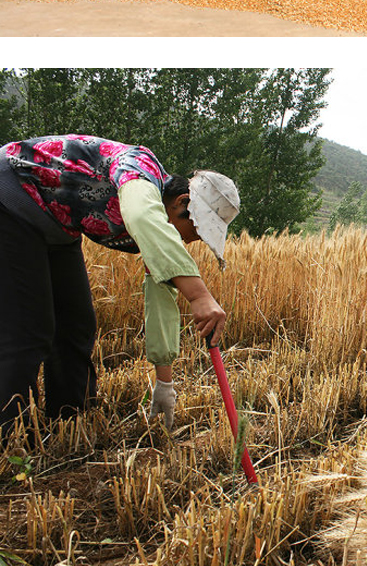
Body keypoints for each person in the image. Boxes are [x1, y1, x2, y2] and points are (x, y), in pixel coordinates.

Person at [0, 133, 240, 435]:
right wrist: (198, 295)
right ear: (182, 202)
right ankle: (10, 439)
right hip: (11, 200)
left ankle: (70, 421)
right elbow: (142, 214)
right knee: (29, 329)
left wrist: (164, 383)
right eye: (193, 230)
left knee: (76, 325)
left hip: (57, 227)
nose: (187, 241)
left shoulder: (155, 230)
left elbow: (160, 291)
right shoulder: (141, 169)